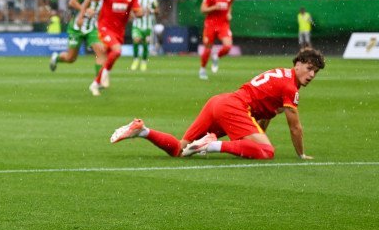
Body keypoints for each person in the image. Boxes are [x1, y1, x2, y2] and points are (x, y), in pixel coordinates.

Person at [110, 48, 324, 160]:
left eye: (315, 71)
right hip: (234, 108)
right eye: (309, 68)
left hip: (218, 102)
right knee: (267, 152)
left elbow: (265, 114)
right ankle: (211, 145)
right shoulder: (290, 88)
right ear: (297, 64)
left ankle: (142, 130)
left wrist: (258, 133)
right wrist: (301, 154)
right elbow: (295, 127)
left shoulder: (281, 75)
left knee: (180, 149)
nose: (312, 74)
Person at [77, 0, 142, 96]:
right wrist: (81, 15)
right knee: (117, 51)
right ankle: (104, 75)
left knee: (109, 56)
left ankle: (96, 83)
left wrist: (139, 13)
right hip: (105, 28)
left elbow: (136, 11)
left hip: (119, 31)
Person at [50, 0, 108, 77]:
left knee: (101, 52)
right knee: (70, 58)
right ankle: (56, 58)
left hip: (92, 28)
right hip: (77, 27)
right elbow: (72, 2)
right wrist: (85, 10)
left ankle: (99, 82)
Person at [198, 0, 235, 80]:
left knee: (228, 47)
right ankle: (203, 69)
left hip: (223, 24)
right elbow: (203, 9)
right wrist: (214, 7)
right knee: (207, 49)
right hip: (210, 24)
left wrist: (229, 13)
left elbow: (230, 6)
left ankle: (216, 57)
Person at [130, 0, 159, 71]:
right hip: (137, 24)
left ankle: (144, 62)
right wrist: (132, 15)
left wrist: (151, 11)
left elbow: (157, 10)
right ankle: (135, 60)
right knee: (136, 40)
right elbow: (130, 9)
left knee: (145, 44)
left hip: (148, 25)